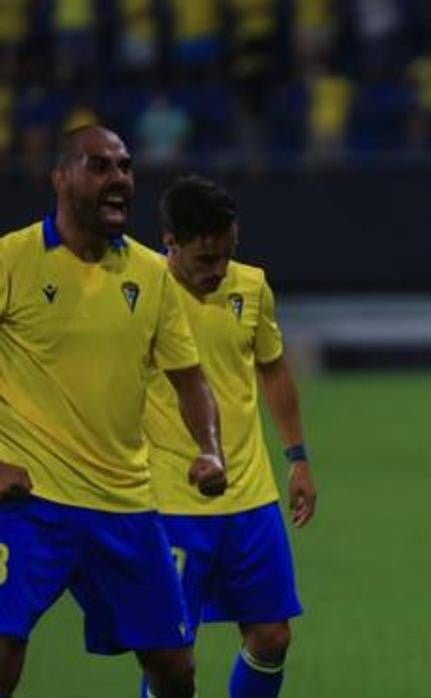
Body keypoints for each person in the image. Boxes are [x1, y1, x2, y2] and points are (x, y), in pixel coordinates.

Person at [0, 126, 226, 698]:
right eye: (99, 166)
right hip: (30, 502)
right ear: (61, 177)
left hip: (123, 502)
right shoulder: (12, 260)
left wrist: (210, 450)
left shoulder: (152, 274)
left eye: (124, 167)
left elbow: (191, 380)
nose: (119, 179)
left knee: (175, 669)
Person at [139, 175, 317, 698]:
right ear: (170, 242)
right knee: (170, 656)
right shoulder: (140, 291)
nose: (219, 271)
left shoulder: (251, 286)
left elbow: (274, 369)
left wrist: (298, 457)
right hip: (169, 498)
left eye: (226, 255)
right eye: (205, 259)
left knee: (272, 635)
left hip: (251, 495)